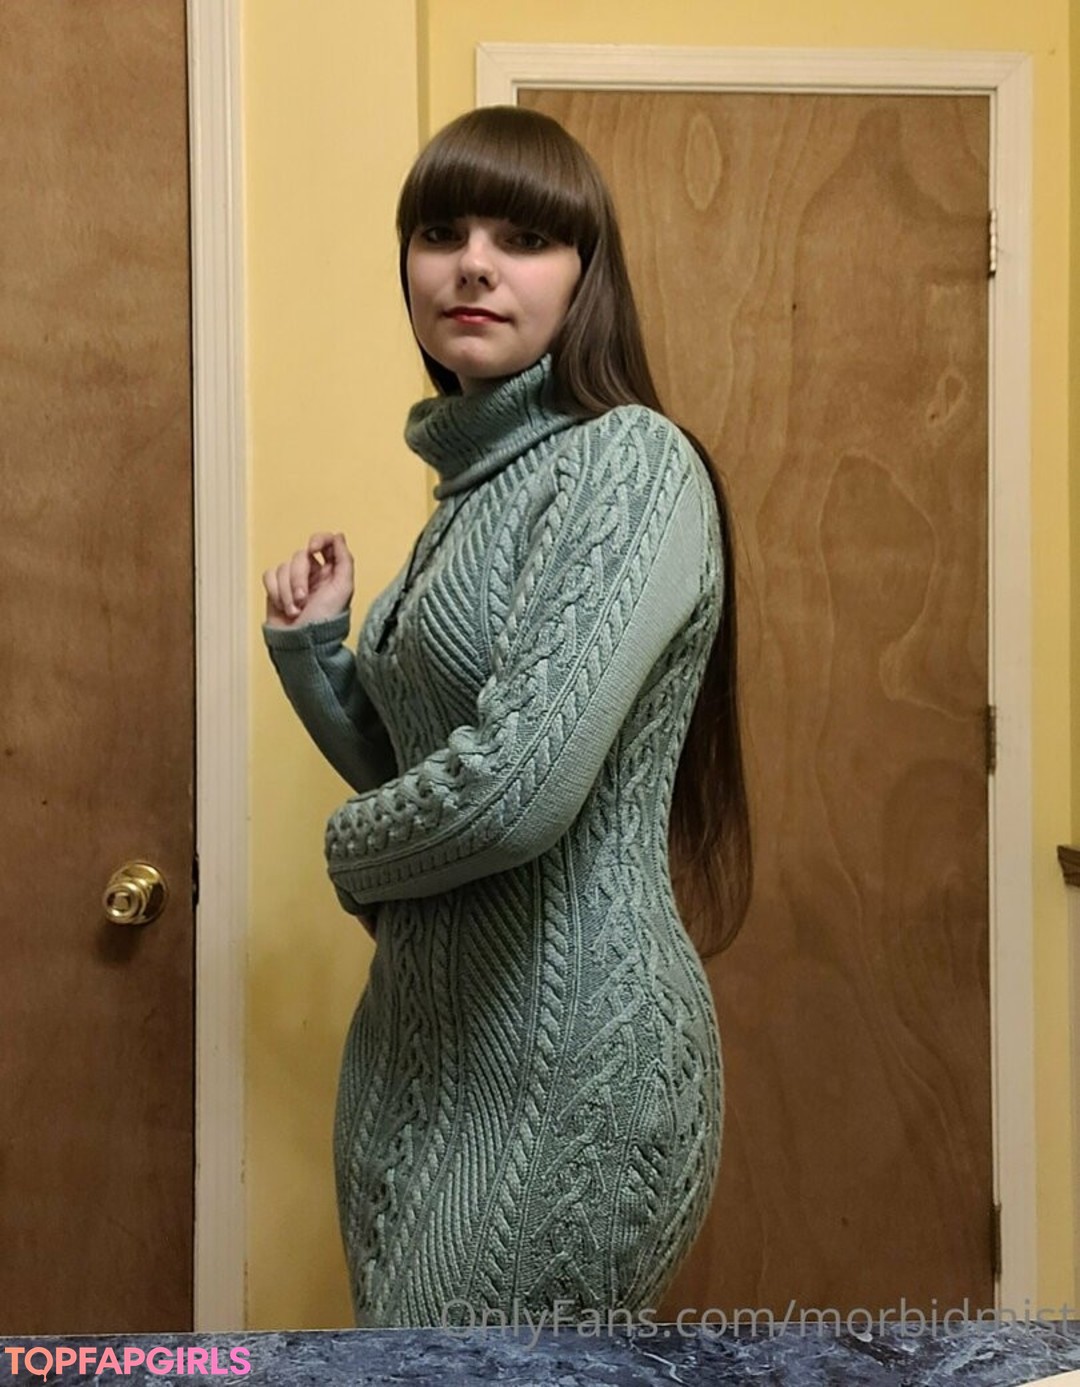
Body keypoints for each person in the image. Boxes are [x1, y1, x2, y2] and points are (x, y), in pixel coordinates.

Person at [261, 104, 751, 1330]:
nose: (472, 264)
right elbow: (422, 771)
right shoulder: (470, 495)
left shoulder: (630, 463)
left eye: (523, 238)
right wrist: (317, 652)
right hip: (414, 1048)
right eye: (441, 233)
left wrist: (346, 855)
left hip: (568, 1065)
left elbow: (512, 794)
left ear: (586, 278)